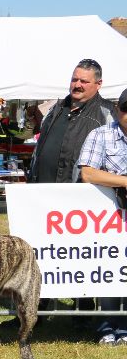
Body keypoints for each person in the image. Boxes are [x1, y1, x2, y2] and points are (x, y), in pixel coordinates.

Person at [77, 88, 127, 345]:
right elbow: (88, 173)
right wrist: (124, 182)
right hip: (107, 216)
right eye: (126, 109)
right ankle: (108, 326)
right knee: (108, 268)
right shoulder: (101, 134)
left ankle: (125, 327)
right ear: (118, 110)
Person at [28, 58, 116, 184]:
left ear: (99, 83)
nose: (77, 85)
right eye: (74, 79)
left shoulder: (107, 113)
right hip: (42, 192)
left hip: (78, 197)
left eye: (84, 81)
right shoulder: (56, 108)